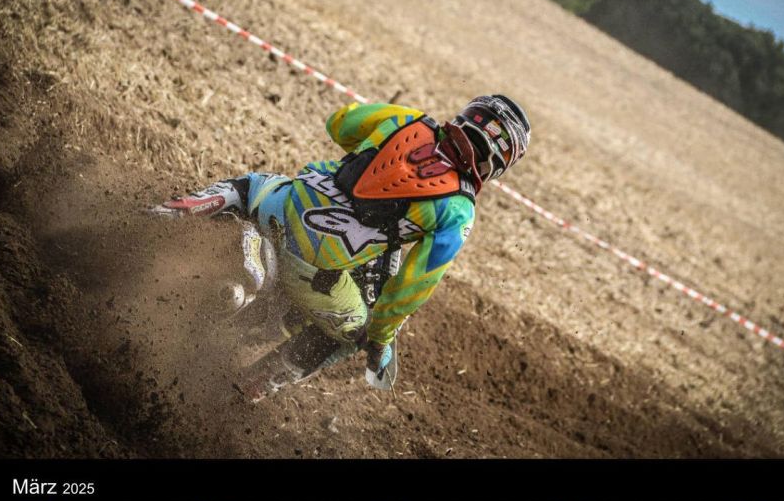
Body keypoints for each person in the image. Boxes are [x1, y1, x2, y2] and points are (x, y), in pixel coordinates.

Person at [154, 95, 530, 389]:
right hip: (314, 267)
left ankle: (166, 213)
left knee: (249, 186)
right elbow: (411, 289)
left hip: (284, 206)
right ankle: (250, 386)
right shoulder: (459, 211)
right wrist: (380, 339)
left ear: (468, 115)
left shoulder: (408, 120)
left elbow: (340, 123)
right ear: (499, 162)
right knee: (356, 334)